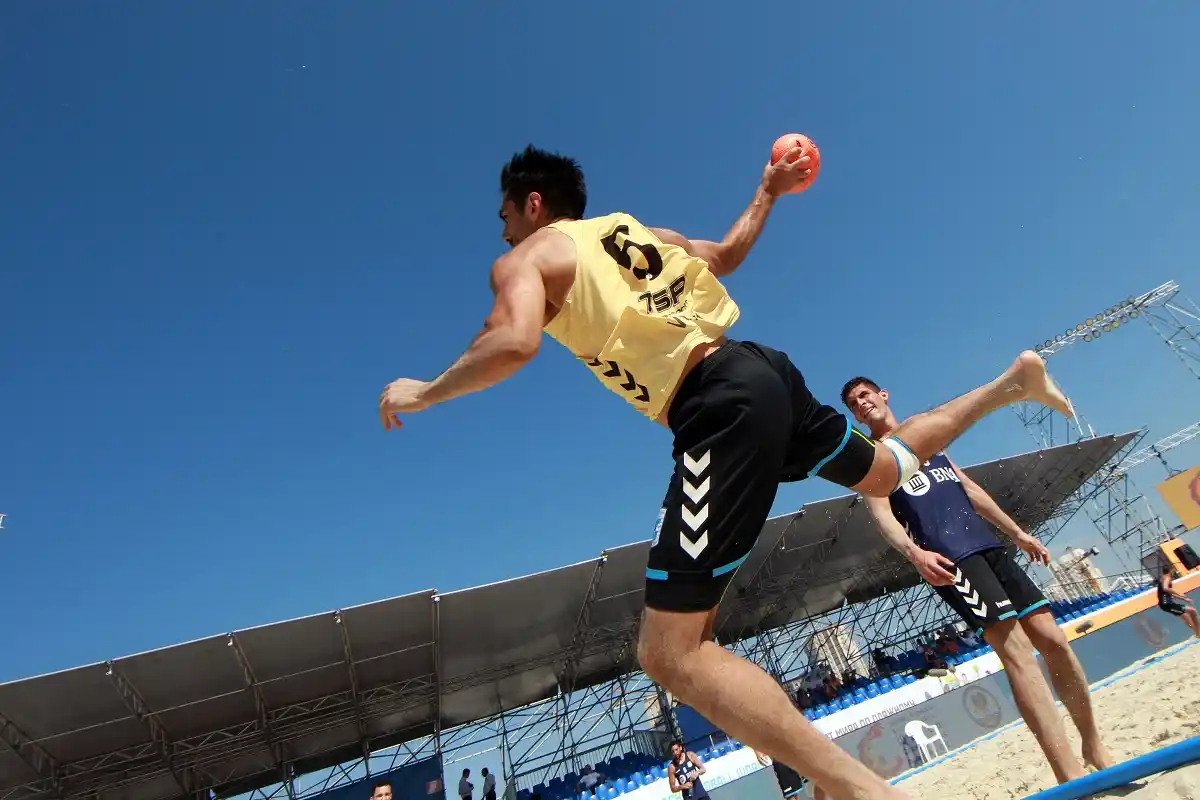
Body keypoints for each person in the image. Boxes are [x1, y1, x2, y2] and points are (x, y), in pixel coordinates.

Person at [378, 143, 1075, 800]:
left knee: (670, 653)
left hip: (715, 407)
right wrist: (767, 190)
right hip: (759, 368)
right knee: (888, 472)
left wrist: (423, 391)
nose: (500, 232)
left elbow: (512, 340)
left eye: (502, 215)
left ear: (532, 205)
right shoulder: (635, 233)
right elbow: (728, 254)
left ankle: (865, 791)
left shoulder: (527, 257)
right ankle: (1011, 382)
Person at [841, 376, 1114, 785]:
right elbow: (882, 516)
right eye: (853, 403)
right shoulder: (872, 459)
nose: (861, 404)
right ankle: (1068, 774)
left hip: (988, 546)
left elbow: (967, 488)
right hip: (951, 559)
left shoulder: (924, 435)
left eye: (865, 395)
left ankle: (1092, 744)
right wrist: (915, 554)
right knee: (1017, 652)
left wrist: (1018, 533)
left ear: (883, 394)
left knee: (1053, 639)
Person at [1158, 566, 1200, 636]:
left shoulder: (1163, 578)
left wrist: (1184, 599)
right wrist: (1179, 593)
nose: (1174, 572)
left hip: (1166, 604)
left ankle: (1197, 633)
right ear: (1170, 571)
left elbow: (1168, 592)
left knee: (1186, 617)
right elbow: (1166, 588)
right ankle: (1198, 632)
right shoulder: (1167, 578)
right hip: (1167, 604)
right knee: (1193, 611)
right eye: (1173, 570)